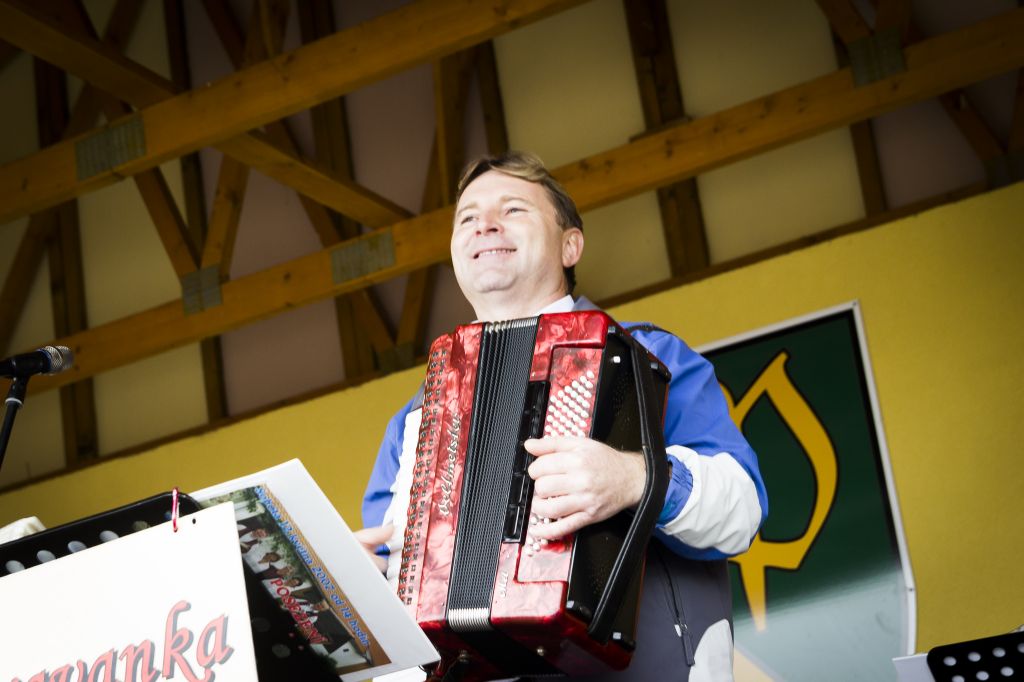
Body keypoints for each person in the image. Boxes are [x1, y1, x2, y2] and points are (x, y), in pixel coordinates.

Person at [358, 151, 767, 681]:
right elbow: (399, 613)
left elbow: (743, 511)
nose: (485, 224)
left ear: (570, 245)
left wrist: (635, 479)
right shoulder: (413, 421)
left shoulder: (649, 356)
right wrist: (363, 589)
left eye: (513, 209)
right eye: (467, 218)